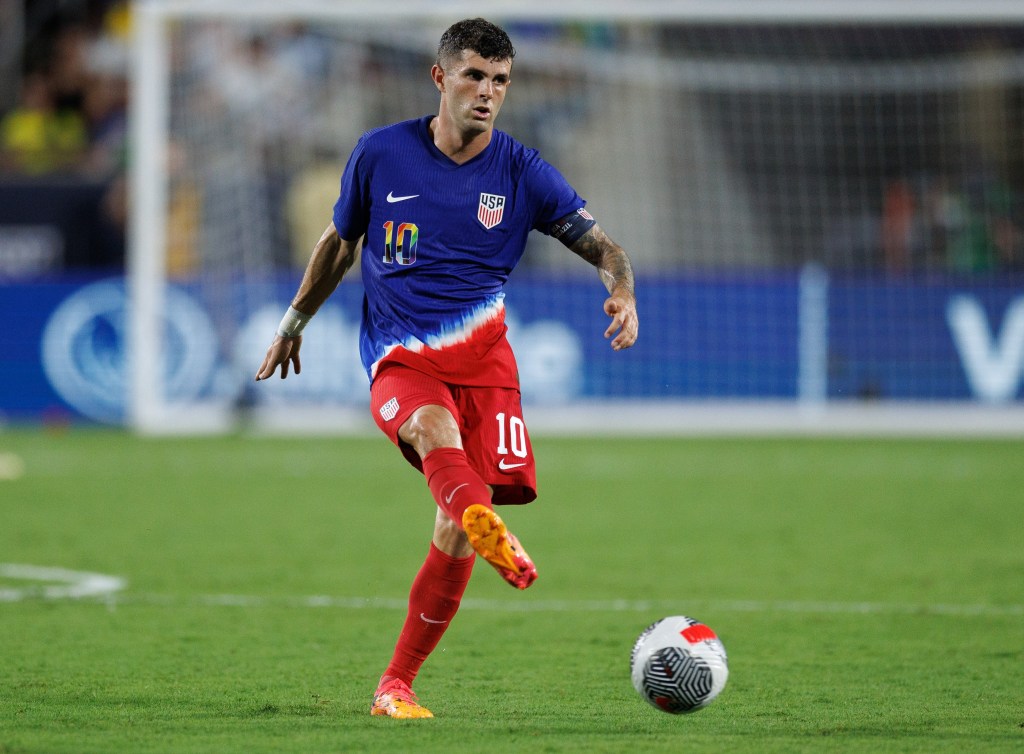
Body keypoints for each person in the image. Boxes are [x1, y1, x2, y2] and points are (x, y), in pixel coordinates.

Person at [255, 18, 638, 719]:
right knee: (433, 431)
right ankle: (488, 524)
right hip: (401, 357)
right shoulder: (380, 154)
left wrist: (622, 288)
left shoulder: (523, 172)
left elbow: (603, 244)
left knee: (452, 527)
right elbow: (339, 245)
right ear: (440, 78)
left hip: (487, 366)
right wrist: (294, 322)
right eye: (473, 76)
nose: (487, 93)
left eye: (499, 81)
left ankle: (394, 686)